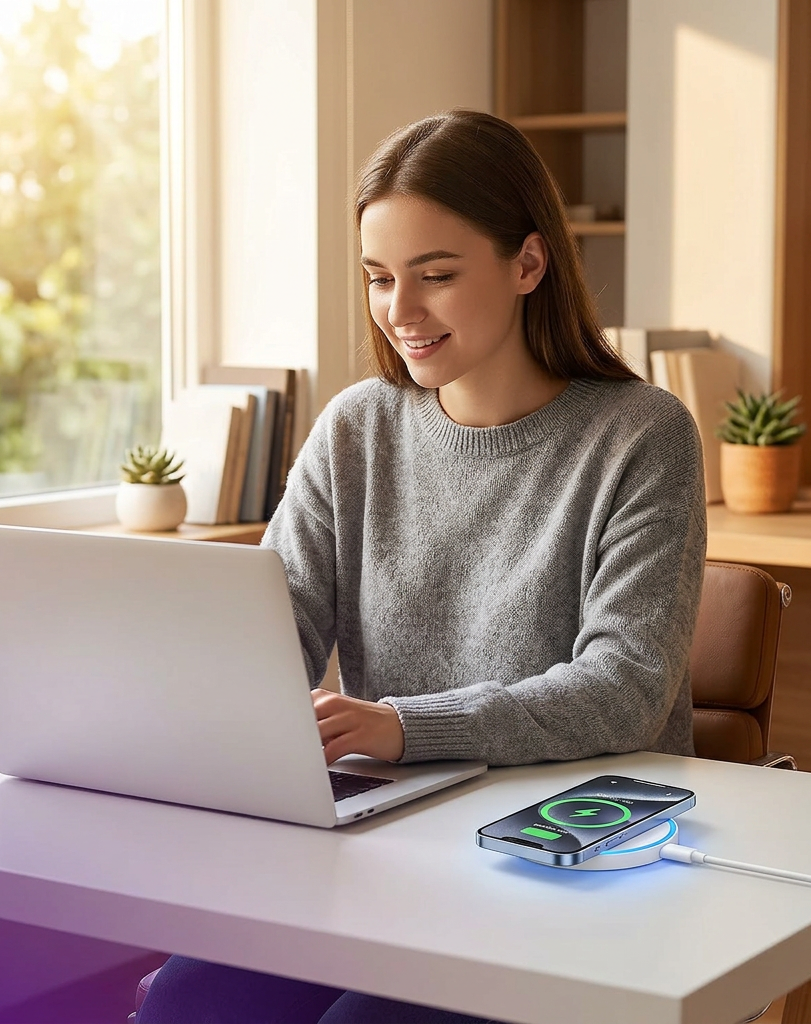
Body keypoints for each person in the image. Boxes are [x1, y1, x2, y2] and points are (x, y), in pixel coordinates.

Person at [138, 109, 706, 1024]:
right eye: (378, 279)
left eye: (436, 276)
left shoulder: (641, 435)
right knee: (186, 1006)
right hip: (387, 846)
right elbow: (264, 635)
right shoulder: (358, 428)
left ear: (528, 264)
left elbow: (626, 688)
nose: (400, 312)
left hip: (567, 860)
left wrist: (402, 725)